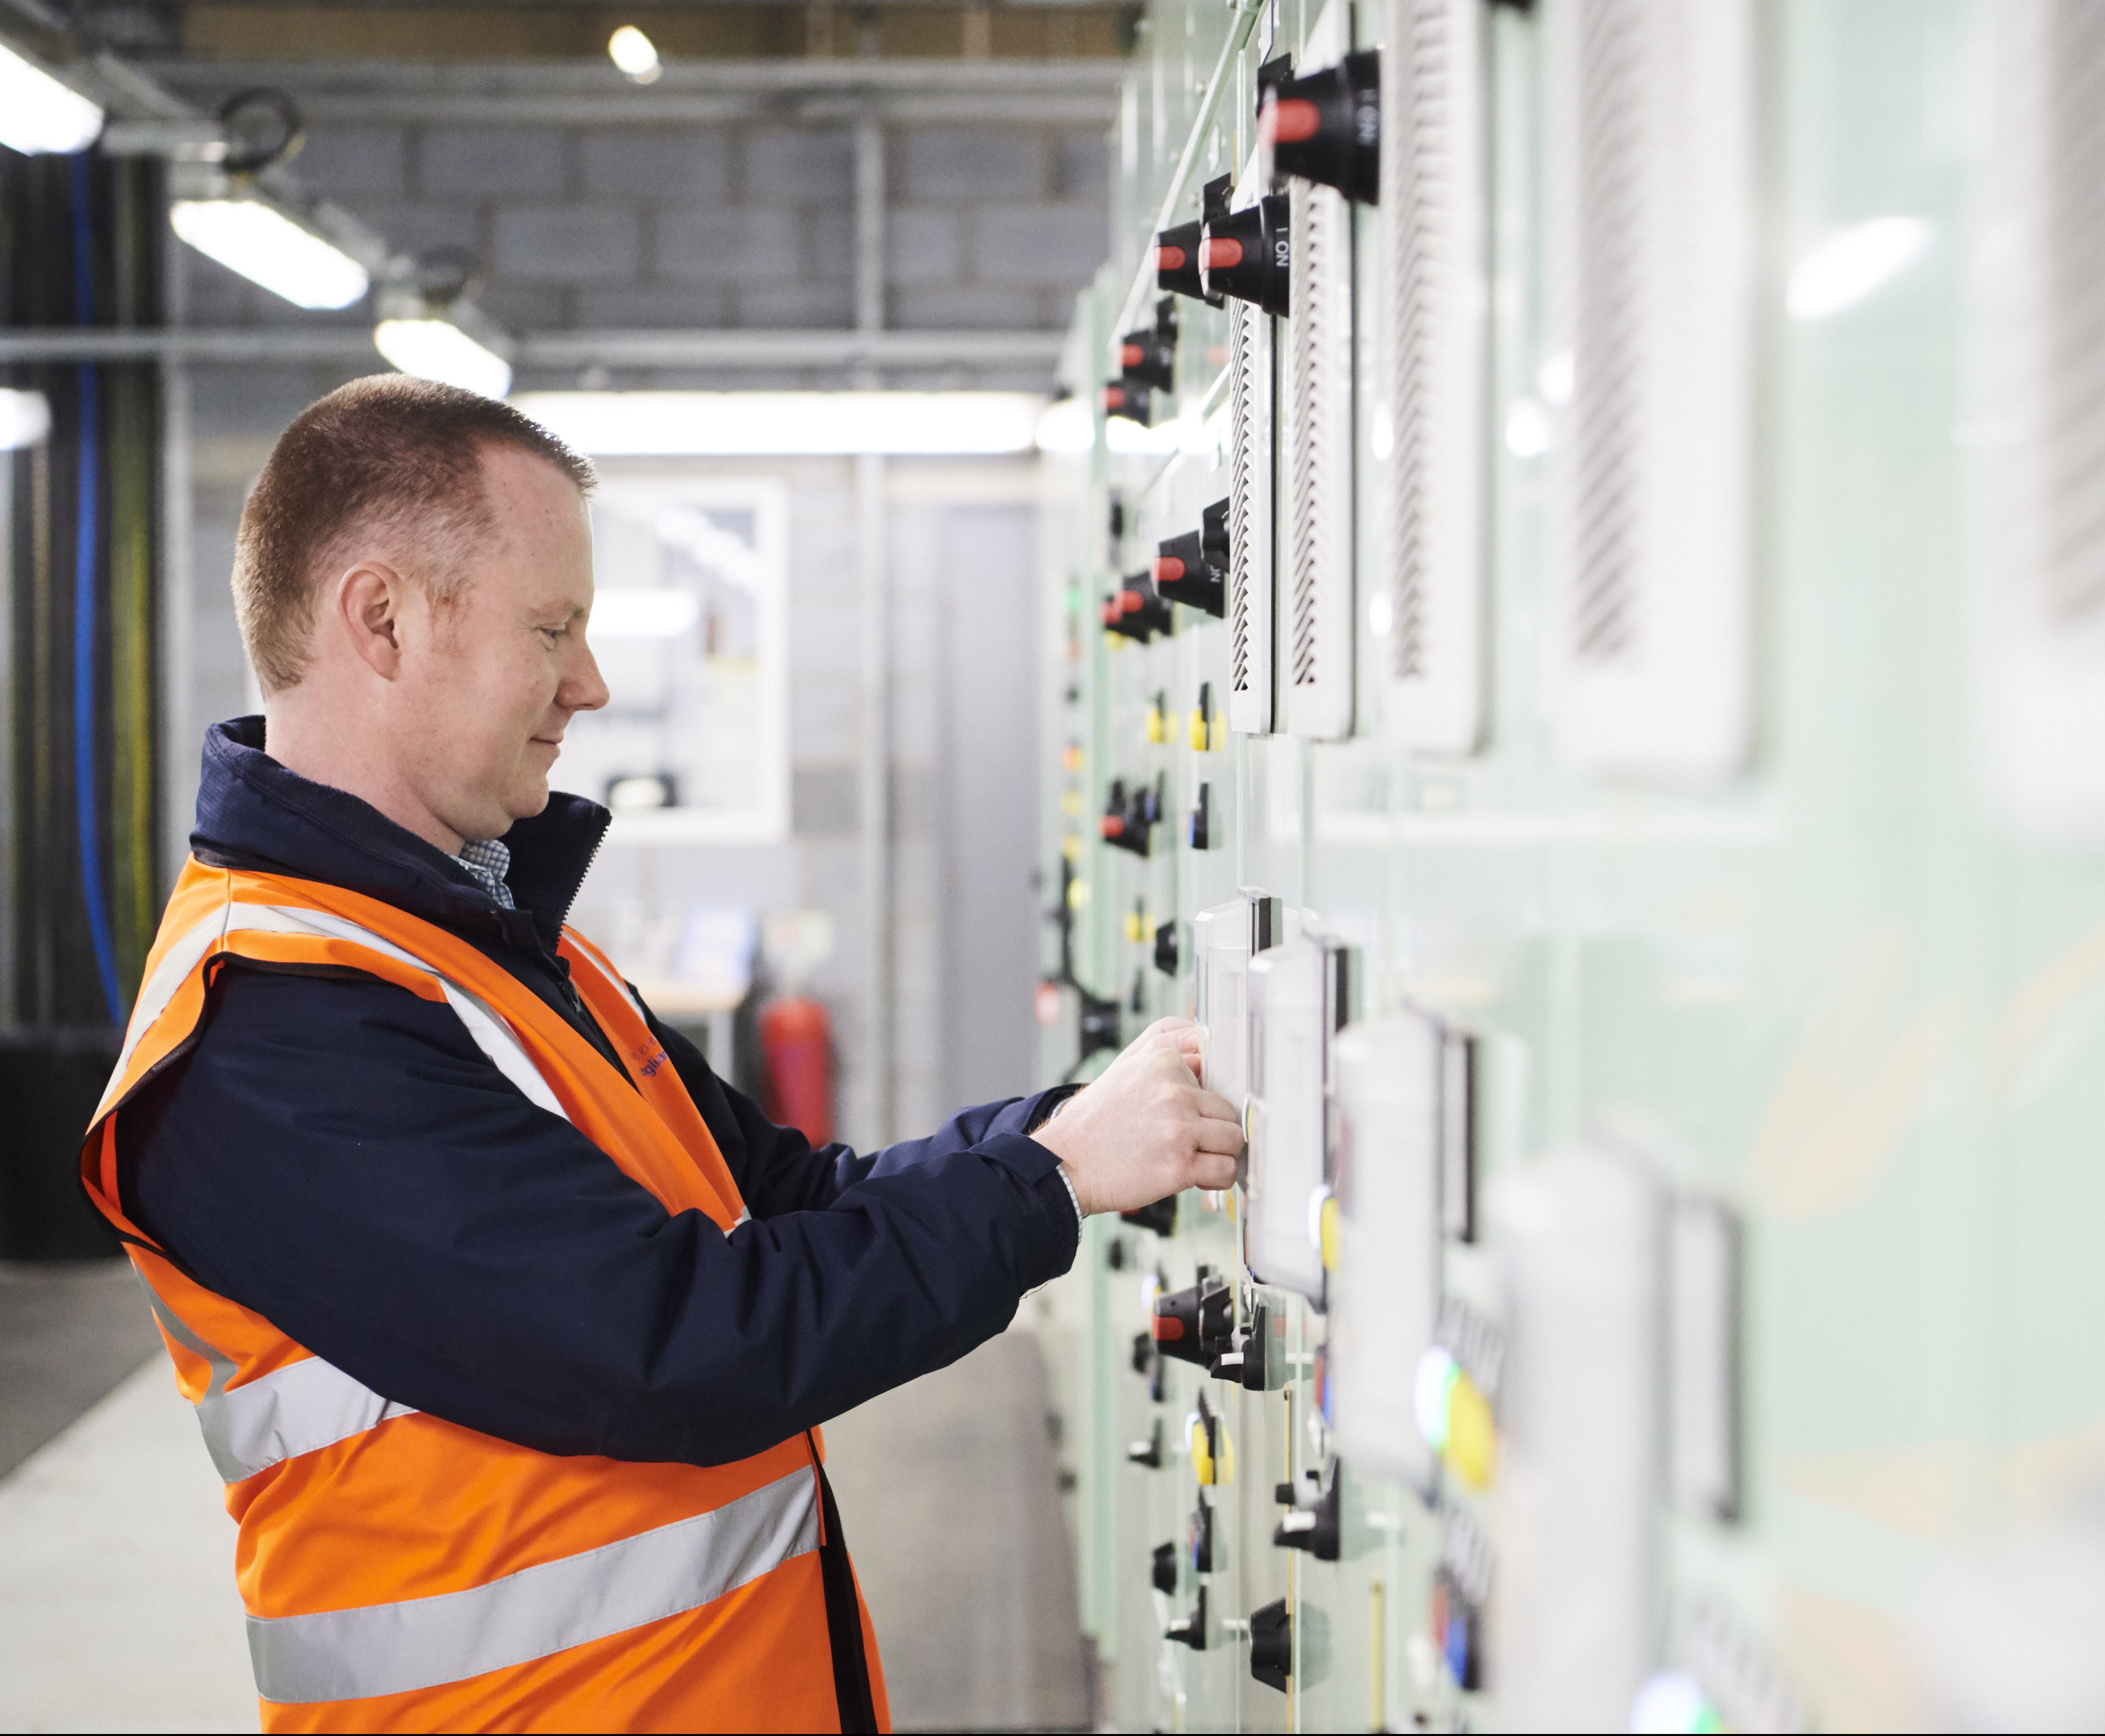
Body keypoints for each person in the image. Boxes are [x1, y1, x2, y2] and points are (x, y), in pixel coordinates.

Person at [79, 376, 1242, 1735]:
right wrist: (1044, 1186)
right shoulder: (267, 1024)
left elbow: (794, 1200)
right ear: (380, 621)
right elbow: (674, 1342)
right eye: (553, 628)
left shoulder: (496, 952)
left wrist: (1059, 1134)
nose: (592, 682)